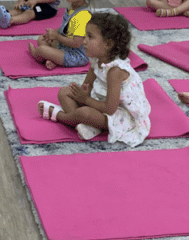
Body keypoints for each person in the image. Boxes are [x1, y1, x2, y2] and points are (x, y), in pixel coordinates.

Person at [36, 12, 151, 145]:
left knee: (84, 113)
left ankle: (61, 117)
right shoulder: (96, 59)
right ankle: (87, 125)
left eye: (90, 37)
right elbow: (87, 86)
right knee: (64, 92)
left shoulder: (115, 71)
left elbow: (110, 109)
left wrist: (85, 99)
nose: (84, 41)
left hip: (122, 114)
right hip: (100, 101)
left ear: (108, 44)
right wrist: (83, 94)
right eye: (85, 35)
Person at [28, 0, 99, 70]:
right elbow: (66, 28)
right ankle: (52, 60)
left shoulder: (83, 16)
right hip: (65, 46)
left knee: (42, 49)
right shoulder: (73, 8)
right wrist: (52, 34)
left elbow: (76, 43)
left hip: (76, 56)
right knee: (42, 39)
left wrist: (56, 36)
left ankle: (38, 55)